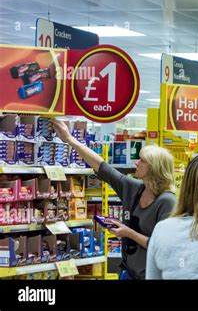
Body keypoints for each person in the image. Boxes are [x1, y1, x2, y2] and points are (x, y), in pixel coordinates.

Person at [52, 119, 176, 280]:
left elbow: (162, 247)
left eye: (142, 161)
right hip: (128, 271)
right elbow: (103, 167)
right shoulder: (136, 188)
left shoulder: (167, 201)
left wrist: (128, 233)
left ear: (154, 167)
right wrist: (70, 140)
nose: (136, 163)